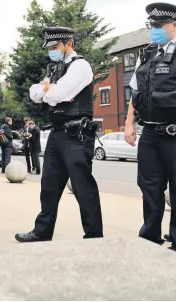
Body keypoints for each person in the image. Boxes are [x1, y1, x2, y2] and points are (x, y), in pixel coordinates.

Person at [15, 26, 103, 243]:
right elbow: (35, 94)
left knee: (83, 188)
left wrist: (48, 90)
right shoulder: (55, 69)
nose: (52, 50)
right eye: (50, 47)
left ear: (69, 44)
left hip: (77, 135)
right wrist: (48, 90)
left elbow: (59, 93)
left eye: (55, 46)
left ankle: (94, 236)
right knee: (49, 187)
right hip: (57, 134)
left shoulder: (80, 66)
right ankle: (42, 232)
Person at [124, 2, 176, 258]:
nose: (154, 30)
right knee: (150, 189)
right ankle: (150, 240)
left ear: (175, 25)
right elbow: (136, 92)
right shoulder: (147, 55)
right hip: (151, 135)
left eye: (159, 25)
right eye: (151, 25)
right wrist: (129, 123)